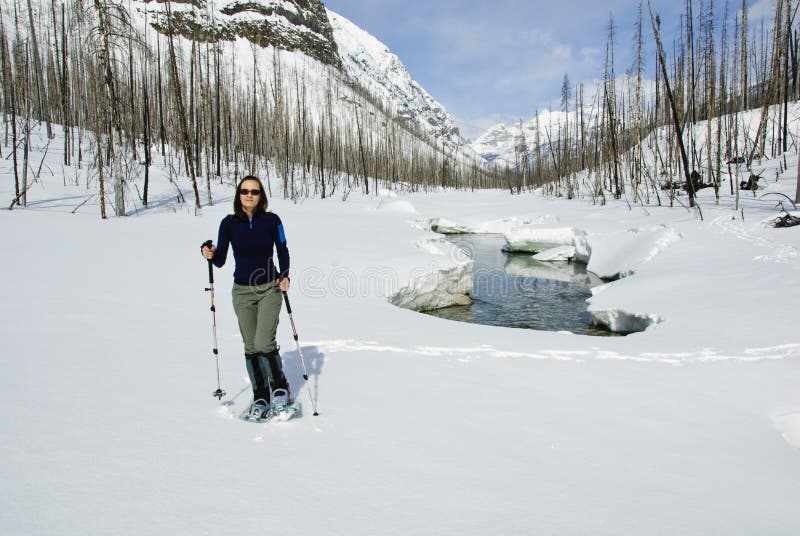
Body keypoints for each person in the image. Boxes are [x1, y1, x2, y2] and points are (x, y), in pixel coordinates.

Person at [201, 175, 291, 416]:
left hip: (269, 288)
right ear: (238, 195)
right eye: (244, 191)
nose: (249, 195)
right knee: (250, 345)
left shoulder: (272, 221)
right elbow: (219, 260)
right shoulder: (228, 223)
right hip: (241, 291)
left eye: (254, 191)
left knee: (264, 342)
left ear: (261, 196)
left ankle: (280, 388)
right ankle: (260, 394)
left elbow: (282, 249)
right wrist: (209, 252)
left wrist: (285, 276)